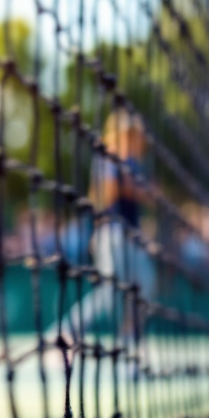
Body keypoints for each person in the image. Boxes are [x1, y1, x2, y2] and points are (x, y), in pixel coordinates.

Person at [60, 108, 153, 343]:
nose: (139, 141)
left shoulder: (135, 164)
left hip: (132, 236)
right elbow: (105, 195)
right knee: (109, 293)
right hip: (111, 233)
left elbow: (147, 196)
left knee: (145, 288)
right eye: (134, 135)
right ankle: (67, 332)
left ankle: (129, 341)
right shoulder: (108, 156)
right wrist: (133, 188)